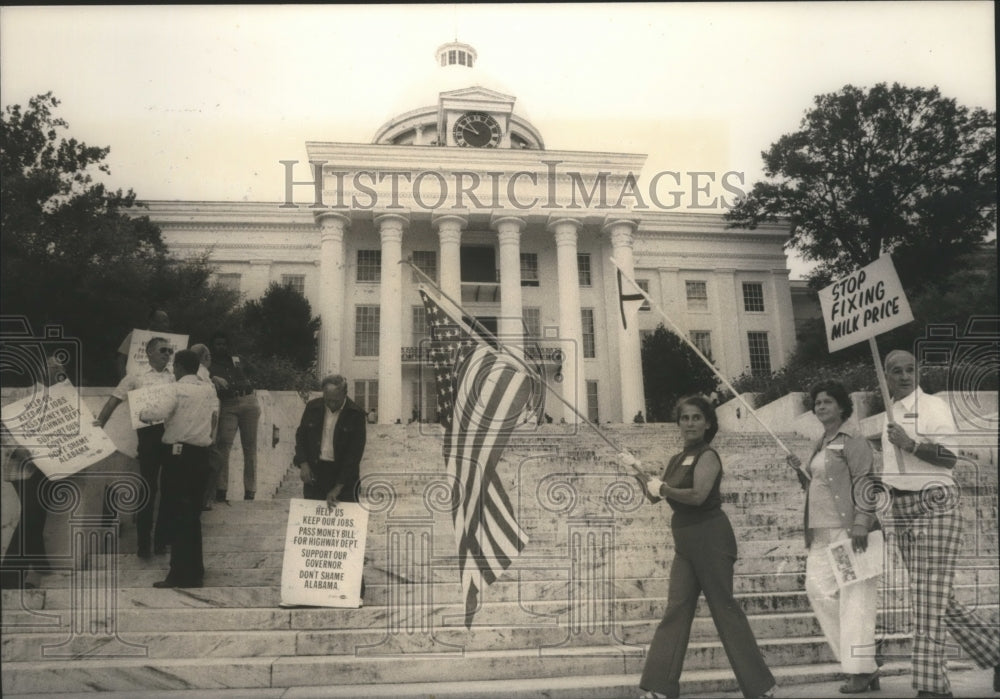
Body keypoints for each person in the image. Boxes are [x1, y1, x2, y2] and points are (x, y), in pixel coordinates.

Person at [628, 395, 775, 699]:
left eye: (696, 417)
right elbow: (656, 496)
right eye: (685, 418)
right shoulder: (676, 459)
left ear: (708, 423)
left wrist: (663, 488)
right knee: (677, 608)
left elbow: (696, 496)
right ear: (678, 423)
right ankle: (660, 687)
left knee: (724, 608)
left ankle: (761, 687)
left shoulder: (708, 455)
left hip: (711, 537)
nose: (690, 423)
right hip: (685, 541)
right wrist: (637, 471)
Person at [878, 350, 999, 698]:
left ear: (918, 372)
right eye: (896, 371)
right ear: (886, 377)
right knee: (937, 599)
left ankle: (932, 687)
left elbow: (949, 457)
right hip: (902, 509)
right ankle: (996, 652)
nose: (904, 376)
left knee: (927, 599)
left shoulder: (933, 407)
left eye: (910, 369)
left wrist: (911, 444)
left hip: (937, 504)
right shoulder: (890, 414)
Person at [786, 380, 881, 694]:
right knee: (818, 591)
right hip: (821, 534)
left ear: (842, 406)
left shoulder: (852, 439)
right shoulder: (821, 442)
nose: (820, 407)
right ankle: (864, 663)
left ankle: (860, 670)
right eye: (817, 403)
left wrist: (862, 524)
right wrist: (803, 474)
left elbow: (866, 482)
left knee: (855, 600)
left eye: (827, 402)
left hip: (848, 532)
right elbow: (820, 488)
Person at [138, 349, 219, 589]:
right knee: (193, 516)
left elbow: (155, 413)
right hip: (201, 456)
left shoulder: (175, 389)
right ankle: (195, 571)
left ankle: (179, 574)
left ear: (180, 367)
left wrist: (141, 412)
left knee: (177, 514)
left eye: (175, 366)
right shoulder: (208, 389)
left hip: (179, 456)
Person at [95, 336, 176, 558]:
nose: (167, 354)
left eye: (170, 351)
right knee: (148, 489)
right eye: (163, 350)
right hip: (149, 437)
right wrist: (98, 425)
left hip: (172, 436)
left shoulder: (176, 377)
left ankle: (161, 542)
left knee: (169, 490)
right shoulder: (135, 377)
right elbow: (114, 400)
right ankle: (143, 544)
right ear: (149, 353)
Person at [0, 357, 64, 589]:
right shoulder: (22, 393)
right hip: (23, 466)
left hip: (49, 467)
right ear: (42, 371)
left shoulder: (63, 398)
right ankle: (9, 577)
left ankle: (39, 564)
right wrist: (18, 449)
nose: (60, 373)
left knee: (37, 514)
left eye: (62, 370)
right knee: (32, 515)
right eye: (56, 369)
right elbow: (3, 426)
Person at [294, 375, 367, 508]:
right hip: (316, 475)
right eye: (328, 400)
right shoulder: (312, 407)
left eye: (336, 400)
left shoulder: (356, 414)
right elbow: (301, 437)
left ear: (345, 394)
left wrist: (338, 488)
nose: (331, 404)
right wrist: (303, 463)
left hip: (344, 478)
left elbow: (354, 455)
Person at [208, 331, 260, 502]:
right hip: (228, 403)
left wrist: (244, 374)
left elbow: (253, 372)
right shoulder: (209, 365)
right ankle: (221, 490)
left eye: (224, 344)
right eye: (218, 344)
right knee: (223, 445)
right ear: (213, 346)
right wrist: (212, 377)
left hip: (248, 400)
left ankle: (250, 491)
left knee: (250, 447)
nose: (221, 347)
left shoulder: (236, 359)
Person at [116, 308, 171, 380]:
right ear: (152, 322)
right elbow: (121, 359)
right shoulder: (135, 336)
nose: (166, 324)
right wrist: (124, 379)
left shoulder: (171, 340)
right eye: (163, 321)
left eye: (167, 321)